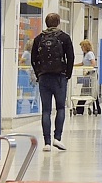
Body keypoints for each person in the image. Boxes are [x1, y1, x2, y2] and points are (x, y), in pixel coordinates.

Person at [29, 13, 75, 151]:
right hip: (60, 77)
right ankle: (57, 138)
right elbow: (71, 57)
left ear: (46, 23)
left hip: (44, 77)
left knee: (46, 111)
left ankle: (47, 142)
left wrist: (39, 74)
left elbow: (33, 59)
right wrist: (67, 74)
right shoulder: (64, 38)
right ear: (58, 22)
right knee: (61, 108)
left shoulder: (39, 38)